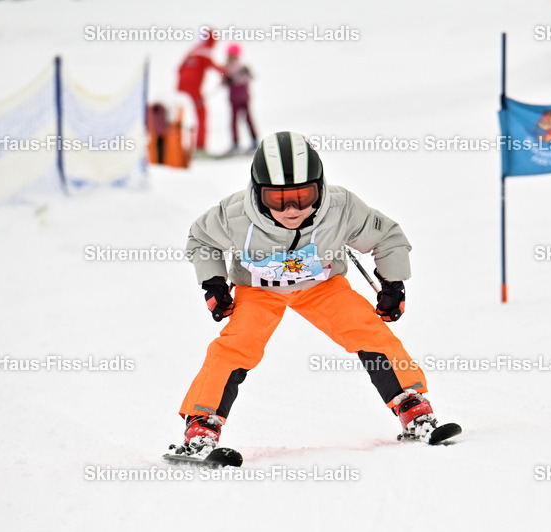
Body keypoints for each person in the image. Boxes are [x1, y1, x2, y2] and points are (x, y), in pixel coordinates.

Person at [174, 131, 446, 457]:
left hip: (322, 285)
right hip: (260, 289)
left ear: (319, 187)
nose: (292, 209)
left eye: (303, 196)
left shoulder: (340, 207)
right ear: (258, 193)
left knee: (369, 331)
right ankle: (202, 424)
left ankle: (411, 404)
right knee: (236, 346)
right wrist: (213, 282)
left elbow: (386, 235)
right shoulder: (234, 215)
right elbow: (201, 240)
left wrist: (393, 283)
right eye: (278, 199)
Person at [177, 32, 225, 153]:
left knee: (180, 117)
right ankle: (199, 147)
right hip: (194, 91)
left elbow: (178, 69)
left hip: (181, 89)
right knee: (202, 115)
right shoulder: (205, 53)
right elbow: (218, 68)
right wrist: (229, 74)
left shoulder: (193, 51)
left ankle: (178, 146)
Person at [222, 43, 258, 153]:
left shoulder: (242, 67)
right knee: (233, 121)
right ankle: (235, 144)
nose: (231, 57)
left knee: (248, 119)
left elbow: (250, 77)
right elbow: (223, 82)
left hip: (243, 98)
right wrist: (226, 80)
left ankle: (254, 141)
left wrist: (243, 75)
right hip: (233, 99)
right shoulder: (226, 68)